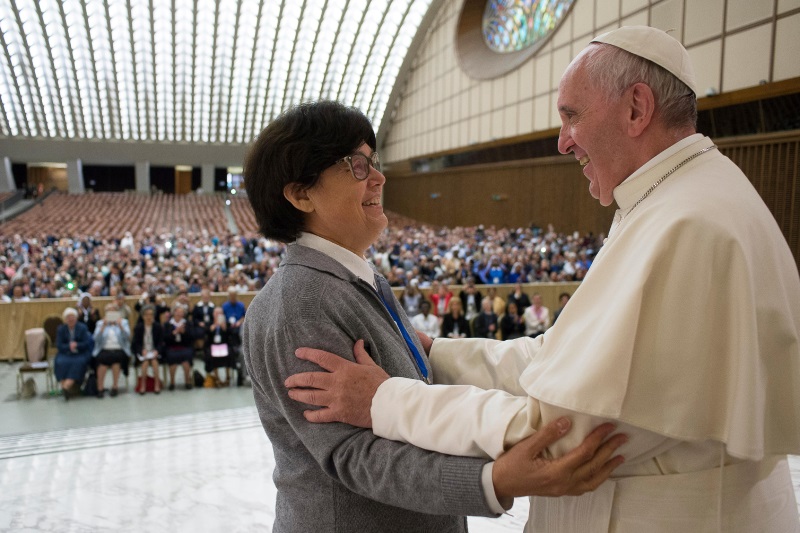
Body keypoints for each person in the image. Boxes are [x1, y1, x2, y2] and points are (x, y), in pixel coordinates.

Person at [285, 27, 800, 531]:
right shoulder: (676, 201)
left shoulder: (686, 224)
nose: (562, 142)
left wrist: (386, 401)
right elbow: (560, 359)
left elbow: (560, 435)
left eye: (571, 116)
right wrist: (436, 354)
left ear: (637, 109)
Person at [242, 100, 624, 532]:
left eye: (375, 162)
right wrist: (490, 480)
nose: (380, 178)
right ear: (300, 193)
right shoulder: (301, 302)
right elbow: (354, 454)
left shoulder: (356, 280)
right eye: (358, 166)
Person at [92, 302, 131, 398]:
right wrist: (103, 328)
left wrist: (121, 326)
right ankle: (100, 387)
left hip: (118, 349)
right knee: (102, 361)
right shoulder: (100, 323)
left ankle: (115, 386)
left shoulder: (124, 322)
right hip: (104, 349)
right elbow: (95, 339)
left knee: (116, 360)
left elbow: (127, 337)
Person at [54, 307, 93, 401]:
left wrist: (77, 345)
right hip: (65, 353)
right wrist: (68, 346)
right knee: (60, 362)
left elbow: (86, 343)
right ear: (65, 319)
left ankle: (66, 387)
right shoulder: (61, 329)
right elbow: (59, 345)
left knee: (78, 363)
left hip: (80, 353)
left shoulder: (82, 328)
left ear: (76, 318)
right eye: (68, 317)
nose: (70, 319)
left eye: (72, 317)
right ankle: (67, 387)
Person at [131, 305, 164, 394]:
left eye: (151, 315)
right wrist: (141, 350)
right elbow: (135, 343)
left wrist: (157, 350)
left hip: (154, 352)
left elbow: (161, 342)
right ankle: (143, 385)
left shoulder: (158, 327)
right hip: (144, 352)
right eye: (147, 315)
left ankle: (157, 384)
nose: (149, 317)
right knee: (145, 363)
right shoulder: (138, 328)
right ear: (143, 316)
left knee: (154, 362)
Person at [164, 305, 195, 390]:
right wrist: (174, 333)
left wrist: (183, 332)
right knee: (172, 358)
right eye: (177, 312)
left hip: (185, 346)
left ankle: (187, 381)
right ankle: (172, 382)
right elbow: (165, 338)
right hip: (172, 347)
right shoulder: (168, 324)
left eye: (181, 313)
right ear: (174, 313)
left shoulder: (188, 323)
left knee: (186, 358)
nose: (179, 314)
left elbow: (191, 337)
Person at [204, 307, 235, 386]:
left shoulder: (227, 324)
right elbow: (207, 334)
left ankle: (228, 377)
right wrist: (213, 328)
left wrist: (224, 328)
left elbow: (231, 334)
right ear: (213, 314)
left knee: (229, 353)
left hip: (224, 345)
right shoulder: (210, 324)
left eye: (220, 313)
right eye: (216, 313)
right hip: (213, 346)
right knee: (210, 355)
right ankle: (216, 377)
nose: (218, 315)